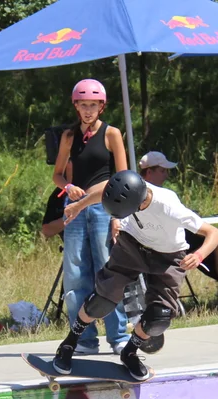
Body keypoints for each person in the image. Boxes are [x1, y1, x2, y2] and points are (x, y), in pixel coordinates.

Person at [54, 170, 218, 380]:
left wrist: (198, 255)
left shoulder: (169, 207)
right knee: (103, 301)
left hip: (168, 256)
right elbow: (105, 189)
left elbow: (215, 233)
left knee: (159, 319)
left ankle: (130, 352)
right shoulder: (131, 187)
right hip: (132, 245)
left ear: (137, 204)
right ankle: (69, 343)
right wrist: (80, 205)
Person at [52, 79, 132, 355]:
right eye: (83, 105)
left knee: (106, 272)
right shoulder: (68, 136)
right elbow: (57, 174)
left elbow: (122, 177)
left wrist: (118, 217)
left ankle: (118, 335)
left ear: (102, 107)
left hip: (103, 207)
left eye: (93, 105)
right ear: (76, 106)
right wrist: (67, 186)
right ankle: (84, 339)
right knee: (75, 275)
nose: (88, 110)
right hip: (74, 208)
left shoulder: (112, 134)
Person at [138, 150, 218, 310]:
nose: (166, 175)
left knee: (215, 242)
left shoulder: (167, 194)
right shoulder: (137, 193)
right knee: (208, 235)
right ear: (149, 172)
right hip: (156, 246)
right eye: (162, 170)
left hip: (177, 239)